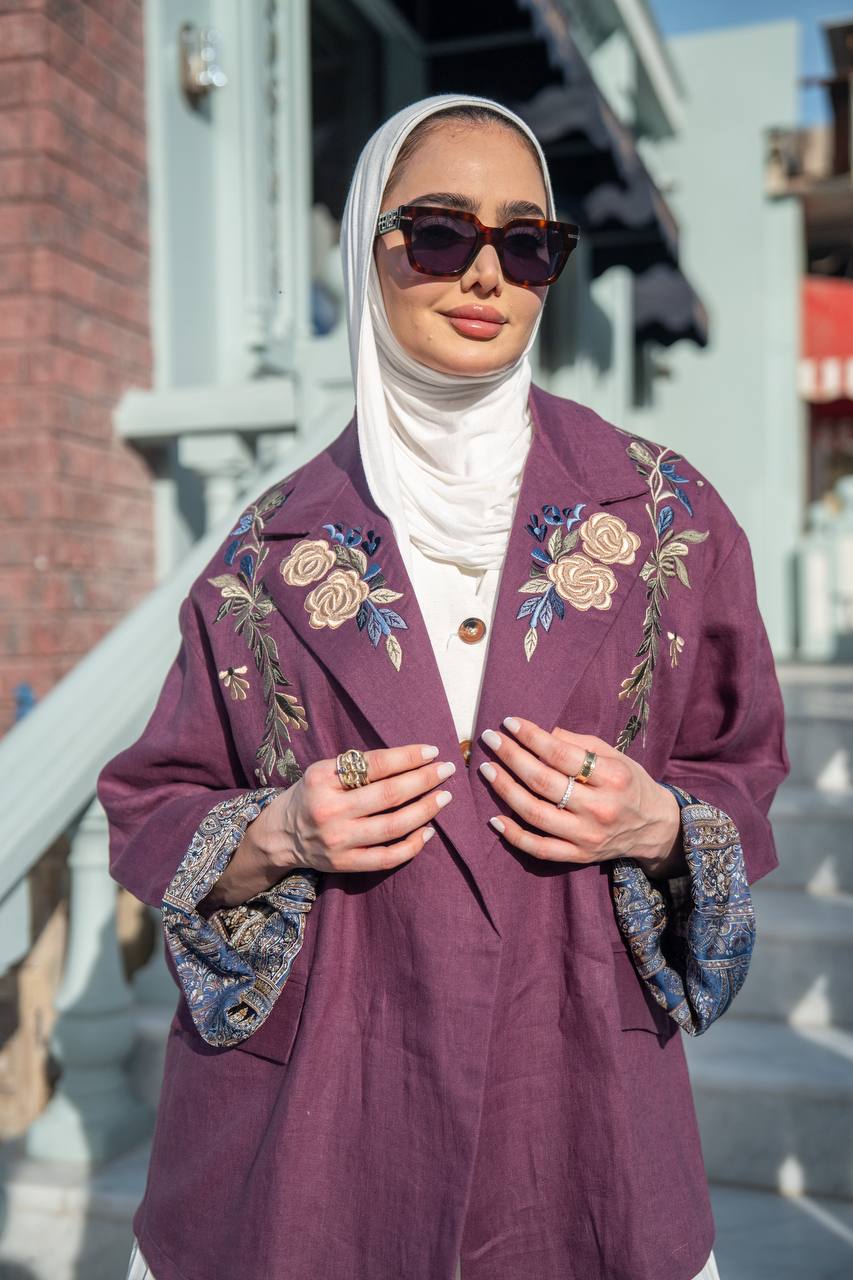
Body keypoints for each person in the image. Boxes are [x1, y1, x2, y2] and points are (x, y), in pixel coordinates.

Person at [99, 92, 789, 1280]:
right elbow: (153, 801)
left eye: (526, 242)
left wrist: (659, 821)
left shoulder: (668, 517)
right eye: (436, 232)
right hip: (322, 1125)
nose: (483, 274)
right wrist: (277, 832)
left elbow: (741, 761)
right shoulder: (262, 553)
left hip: (571, 1107)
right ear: (366, 246)